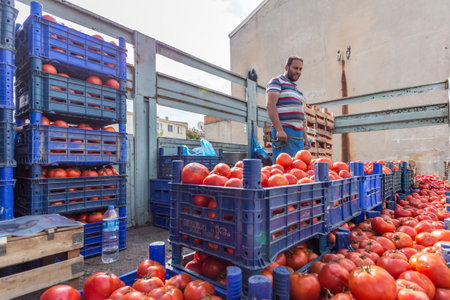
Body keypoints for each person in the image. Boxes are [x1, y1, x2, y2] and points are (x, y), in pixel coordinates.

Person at [266, 56, 311, 163]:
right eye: (295, 68)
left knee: (299, 168)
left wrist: (305, 137)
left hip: (298, 135)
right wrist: (279, 130)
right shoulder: (276, 82)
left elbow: (299, 118)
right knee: (284, 168)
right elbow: (270, 106)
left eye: (300, 69)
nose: (298, 71)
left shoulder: (297, 91)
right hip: (285, 133)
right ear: (287, 67)